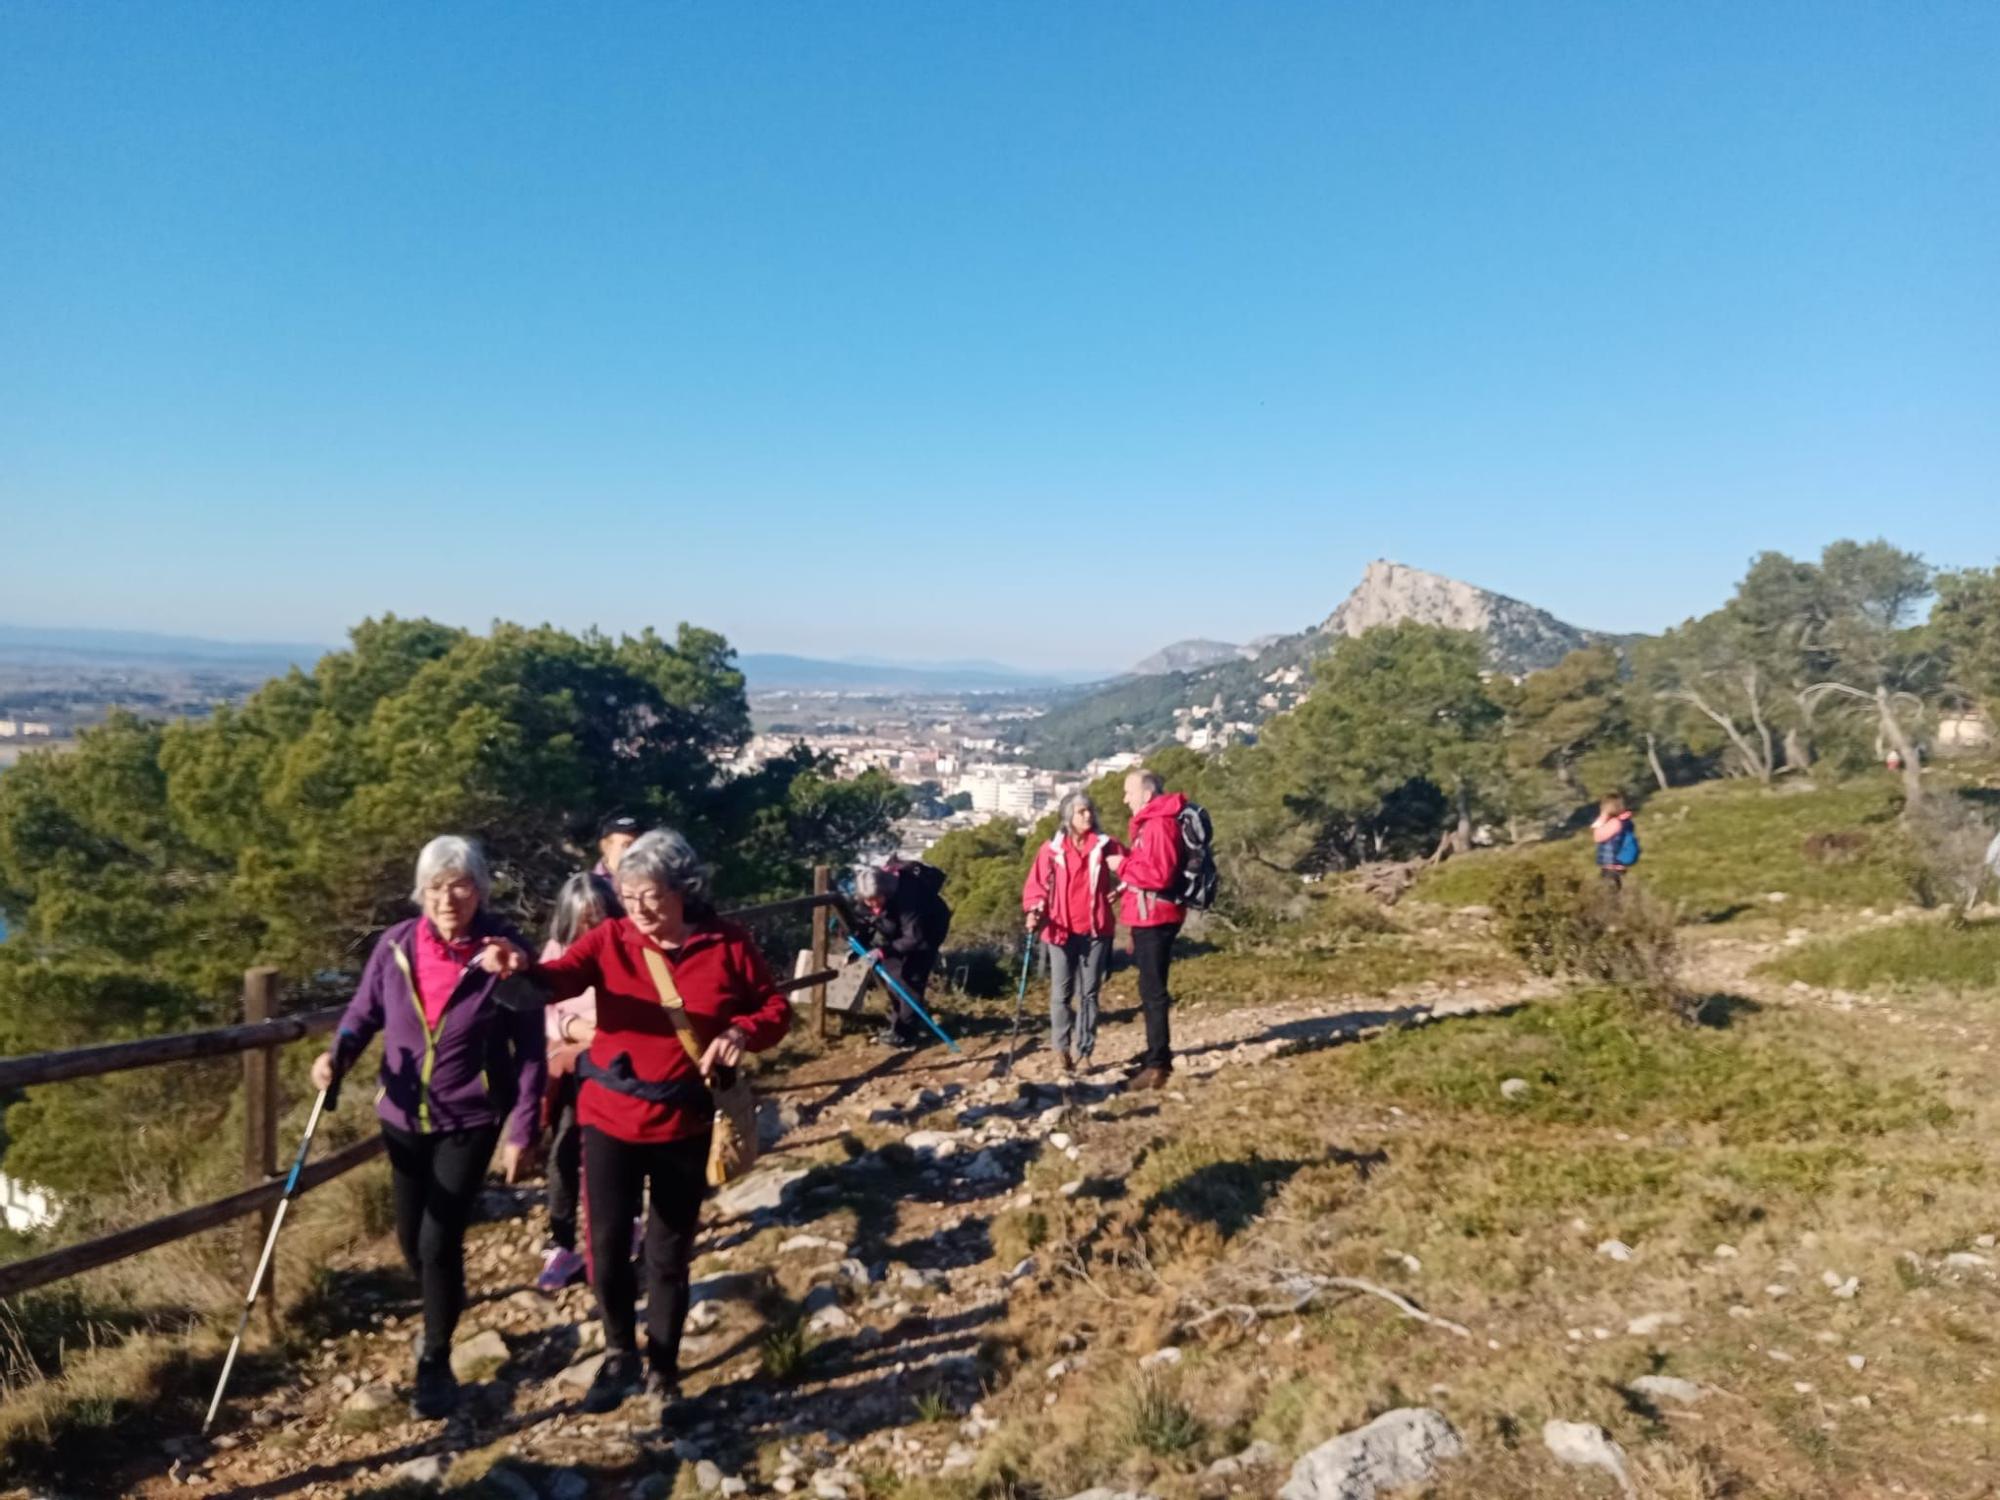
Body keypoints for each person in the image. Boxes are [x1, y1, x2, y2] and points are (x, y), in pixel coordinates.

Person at [491, 828, 791, 1415]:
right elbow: (554, 983)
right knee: (604, 1245)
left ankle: (664, 1366)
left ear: (683, 888)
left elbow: (773, 1009)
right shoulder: (610, 939)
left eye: (652, 894)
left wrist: (740, 1031)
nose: (641, 909)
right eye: (629, 896)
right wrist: (515, 968)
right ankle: (618, 1351)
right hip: (608, 1117)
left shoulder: (727, 945)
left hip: (683, 1120)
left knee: (668, 1252)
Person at [310, 836, 545, 1420]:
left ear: (480, 890)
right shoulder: (395, 946)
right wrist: (335, 1055)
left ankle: (435, 1360)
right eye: (436, 886)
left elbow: (533, 1049)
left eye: (460, 884)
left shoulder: (506, 955)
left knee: (440, 1240)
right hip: (402, 1116)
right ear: (421, 892)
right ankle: (445, 1302)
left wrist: (523, 1128)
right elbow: (362, 1015)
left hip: (470, 1117)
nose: (448, 897)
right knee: (412, 1242)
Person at [536, 872, 621, 1293]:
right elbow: (544, 1008)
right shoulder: (556, 950)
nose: (592, 927)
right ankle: (561, 1241)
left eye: (599, 916)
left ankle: (620, 1231)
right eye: (584, 919)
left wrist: (592, 1033)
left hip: (614, 1065)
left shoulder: (625, 948)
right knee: (564, 1149)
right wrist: (575, 1029)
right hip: (569, 1067)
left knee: (616, 1153)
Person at [1022, 792, 1124, 1075]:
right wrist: (1034, 910)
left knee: (1089, 993)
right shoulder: (1051, 850)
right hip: (1060, 931)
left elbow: (1132, 867)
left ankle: (1086, 1050)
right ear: (1069, 817)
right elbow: (1036, 886)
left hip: (1096, 930)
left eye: (1090, 810)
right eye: (1081, 812)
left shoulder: (1106, 846)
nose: (1088, 816)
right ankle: (1061, 1049)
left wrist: (1122, 889)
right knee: (1061, 994)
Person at [1115, 769, 1187, 1092]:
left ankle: (1158, 1063)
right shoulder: (1153, 823)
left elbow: (1159, 875)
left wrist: (1123, 868)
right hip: (1151, 914)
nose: (1124, 798)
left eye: (1129, 791)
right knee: (1149, 988)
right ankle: (1154, 1053)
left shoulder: (1158, 824)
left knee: (1153, 990)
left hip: (1156, 917)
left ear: (1146, 794)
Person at [853, 864, 951, 1048]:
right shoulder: (869, 894)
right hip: (901, 931)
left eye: (876, 899)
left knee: (911, 977)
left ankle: (905, 1035)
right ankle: (899, 1025)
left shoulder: (909, 897)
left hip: (928, 929)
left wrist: (882, 951)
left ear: (886, 891)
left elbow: (915, 938)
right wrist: (859, 942)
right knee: (892, 973)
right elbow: (863, 919)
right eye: (868, 901)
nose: (873, 905)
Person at [1591, 792, 1640, 891]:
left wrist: (1602, 817)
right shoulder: (1623, 822)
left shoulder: (1615, 823)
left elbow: (1597, 836)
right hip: (1616, 866)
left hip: (1612, 867)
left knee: (1610, 896)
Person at [595, 811, 641, 877]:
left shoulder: (652, 880)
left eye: (639, 845)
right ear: (605, 847)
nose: (635, 851)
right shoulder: (589, 884)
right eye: (627, 845)